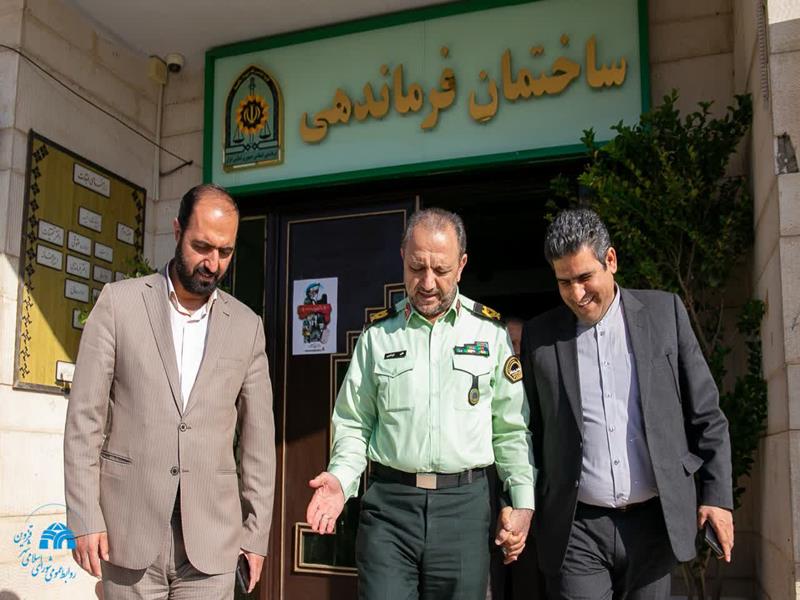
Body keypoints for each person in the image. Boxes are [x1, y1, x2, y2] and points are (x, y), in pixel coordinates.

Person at [305, 208, 535, 600]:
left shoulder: (490, 333)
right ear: (402, 259)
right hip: (390, 510)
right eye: (416, 268)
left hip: (464, 509)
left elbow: (511, 429)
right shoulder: (378, 335)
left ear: (461, 265)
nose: (427, 283)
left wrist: (522, 502)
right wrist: (340, 480)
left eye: (440, 270)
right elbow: (355, 422)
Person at [64, 183, 276, 599]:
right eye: (202, 246)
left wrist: (256, 533)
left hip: (212, 540)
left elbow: (259, 440)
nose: (212, 263)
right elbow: (84, 418)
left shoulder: (247, 326)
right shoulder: (119, 304)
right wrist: (84, 514)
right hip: (128, 529)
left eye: (225, 252)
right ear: (177, 231)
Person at [518, 208, 733, 599]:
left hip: (655, 522)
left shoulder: (665, 314)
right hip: (577, 527)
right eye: (564, 282)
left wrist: (716, 498)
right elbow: (528, 431)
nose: (577, 294)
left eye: (585, 277)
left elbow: (706, 413)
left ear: (611, 260)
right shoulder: (540, 337)